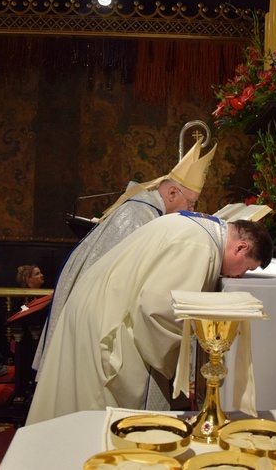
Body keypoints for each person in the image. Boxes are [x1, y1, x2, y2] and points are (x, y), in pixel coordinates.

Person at [26, 212, 272, 425]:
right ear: (241, 248)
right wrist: (180, 363)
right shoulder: (201, 247)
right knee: (99, 418)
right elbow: (158, 310)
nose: (239, 276)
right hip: (107, 324)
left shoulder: (198, 228)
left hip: (98, 309)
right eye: (246, 268)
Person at [33, 138, 217, 400]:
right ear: (172, 193)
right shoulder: (137, 218)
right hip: (96, 325)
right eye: (191, 203)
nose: (192, 210)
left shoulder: (146, 212)